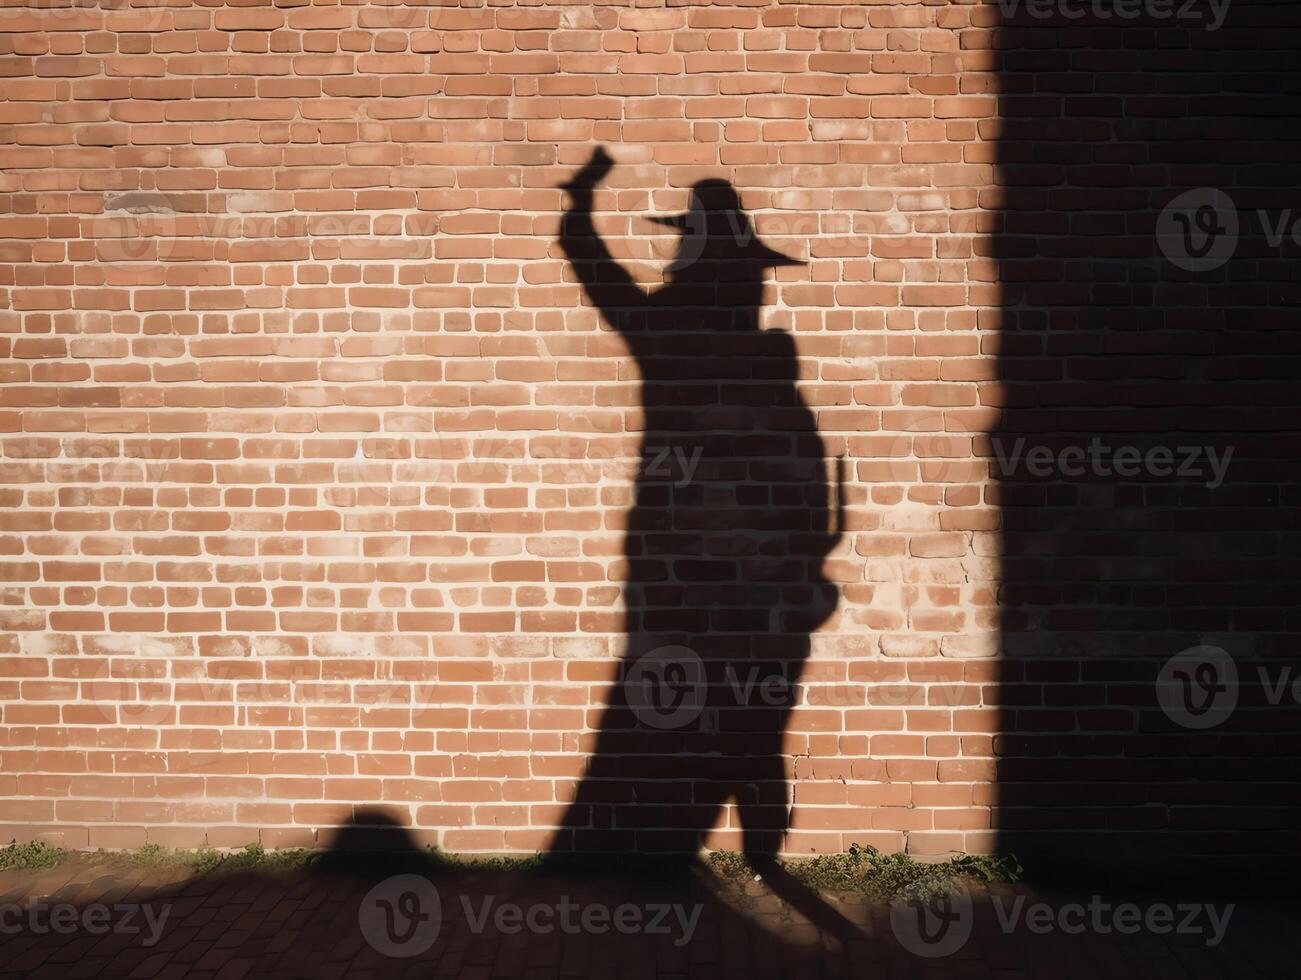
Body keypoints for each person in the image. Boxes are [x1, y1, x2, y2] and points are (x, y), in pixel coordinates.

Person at [549, 147, 842, 871]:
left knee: (679, 700)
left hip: (683, 564)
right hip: (740, 570)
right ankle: (745, 826)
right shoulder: (765, 363)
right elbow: (806, 483)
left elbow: (601, 279)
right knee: (737, 703)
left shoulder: (667, 335)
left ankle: (678, 833)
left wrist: (579, 211)